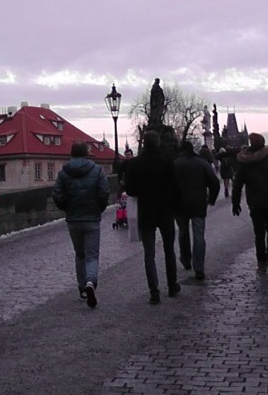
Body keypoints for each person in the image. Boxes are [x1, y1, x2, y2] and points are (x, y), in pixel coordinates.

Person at [51, 141, 111, 308]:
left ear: (72, 153)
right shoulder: (97, 169)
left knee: (80, 254)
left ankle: (82, 288)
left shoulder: (64, 172)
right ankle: (91, 281)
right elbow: (104, 192)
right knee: (92, 255)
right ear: (86, 153)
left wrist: (66, 207)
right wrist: (99, 208)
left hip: (73, 219)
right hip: (92, 218)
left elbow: (57, 194)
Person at [124, 130, 180, 304]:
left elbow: (131, 190)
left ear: (143, 143)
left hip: (146, 212)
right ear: (158, 143)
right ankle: (172, 286)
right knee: (169, 249)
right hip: (165, 210)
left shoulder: (134, 164)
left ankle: (154, 292)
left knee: (149, 254)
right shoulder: (167, 161)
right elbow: (175, 185)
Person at [231, 133, 268, 273]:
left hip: (255, 202)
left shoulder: (245, 163)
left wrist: (235, 202)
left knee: (259, 233)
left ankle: (261, 262)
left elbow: (237, 185)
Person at [173, 140, 220, 281]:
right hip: (198, 203)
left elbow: (169, 185)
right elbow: (214, 183)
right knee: (199, 235)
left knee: (182, 232)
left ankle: (185, 258)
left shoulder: (175, 164)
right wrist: (211, 200)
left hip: (180, 204)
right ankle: (199, 267)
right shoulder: (202, 163)